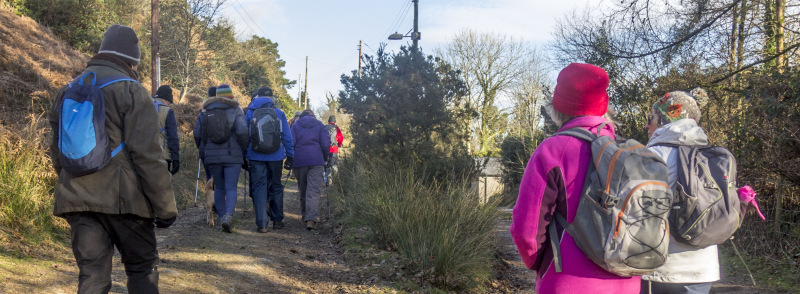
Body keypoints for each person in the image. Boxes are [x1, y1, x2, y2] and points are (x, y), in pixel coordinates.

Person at [48, 24, 177, 293]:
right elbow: (148, 157)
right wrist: (165, 208)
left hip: (78, 199)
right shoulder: (132, 91)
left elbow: (57, 151)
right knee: (142, 268)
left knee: (92, 275)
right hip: (125, 201)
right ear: (133, 60)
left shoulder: (68, 89)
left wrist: (71, 184)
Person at [510, 63, 640, 293]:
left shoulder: (553, 150)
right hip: (625, 282)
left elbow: (526, 229)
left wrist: (539, 263)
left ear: (557, 107)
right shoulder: (628, 152)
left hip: (567, 280)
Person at [640, 88, 717, 294]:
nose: (647, 125)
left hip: (660, 268)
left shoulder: (653, 155)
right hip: (703, 268)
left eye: (652, 118)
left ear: (667, 120)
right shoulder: (710, 155)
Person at [193, 83, 248, 233]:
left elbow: (199, 134)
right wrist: (243, 149)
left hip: (212, 156)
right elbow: (242, 131)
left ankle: (220, 220)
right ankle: (227, 218)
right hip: (232, 155)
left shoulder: (205, 110)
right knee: (231, 188)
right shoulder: (236, 109)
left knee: (219, 187)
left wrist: (206, 149)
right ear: (231, 96)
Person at [245, 86, 294, 233]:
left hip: (255, 155)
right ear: (272, 98)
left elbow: (245, 135)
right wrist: (290, 155)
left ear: (257, 97)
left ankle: (262, 224)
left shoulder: (249, 113)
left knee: (259, 188)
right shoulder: (279, 113)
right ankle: (277, 220)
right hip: (276, 156)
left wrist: (244, 154)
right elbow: (287, 136)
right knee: (276, 187)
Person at [290, 109, 331, 230]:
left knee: (303, 189)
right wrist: (325, 158)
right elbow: (325, 144)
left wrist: (291, 159)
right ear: (313, 115)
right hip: (316, 161)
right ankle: (311, 219)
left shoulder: (296, 125)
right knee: (313, 191)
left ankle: (304, 216)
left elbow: (291, 143)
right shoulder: (320, 125)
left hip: (299, 161)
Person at [153, 85, 180, 175]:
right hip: (162, 156)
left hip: (143, 154)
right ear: (166, 100)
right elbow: (173, 137)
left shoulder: (143, 106)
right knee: (161, 186)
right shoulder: (168, 111)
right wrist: (175, 158)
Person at [195, 86, 216, 182]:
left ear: (208, 96)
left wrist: (200, 146)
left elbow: (197, 134)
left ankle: (210, 196)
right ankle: (220, 196)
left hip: (205, 150)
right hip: (221, 151)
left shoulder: (203, 112)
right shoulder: (225, 111)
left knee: (209, 177)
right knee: (220, 179)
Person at [324, 115, 343, 185]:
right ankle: (336, 180)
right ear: (334, 121)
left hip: (325, 149)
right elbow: (341, 138)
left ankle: (327, 180)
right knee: (334, 165)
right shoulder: (336, 128)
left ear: (328, 121)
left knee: (326, 165)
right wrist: (339, 144)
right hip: (334, 149)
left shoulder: (324, 127)